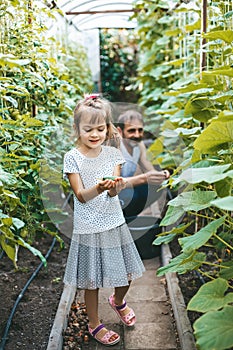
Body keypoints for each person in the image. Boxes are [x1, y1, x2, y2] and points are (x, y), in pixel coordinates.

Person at [63, 94, 145, 346]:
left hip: (114, 222)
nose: (95, 134)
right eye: (88, 129)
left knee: (128, 273)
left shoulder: (111, 154)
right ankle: (94, 323)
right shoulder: (72, 157)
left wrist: (114, 187)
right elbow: (81, 195)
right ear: (77, 129)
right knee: (92, 280)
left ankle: (118, 301)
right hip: (89, 227)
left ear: (108, 128)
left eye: (100, 128)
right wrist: (98, 188)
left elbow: (113, 191)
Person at [116, 110, 170, 218]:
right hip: (114, 192)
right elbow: (113, 183)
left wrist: (161, 175)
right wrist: (144, 178)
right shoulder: (115, 147)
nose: (137, 135)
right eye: (131, 131)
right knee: (130, 195)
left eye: (140, 130)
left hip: (128, 186)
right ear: (120, 131)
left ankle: (132, 217)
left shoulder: (139, 145)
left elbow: (147, 165)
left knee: (156, 187)